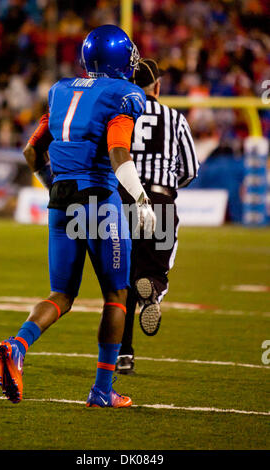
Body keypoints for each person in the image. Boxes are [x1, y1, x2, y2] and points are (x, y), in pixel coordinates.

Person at [0, 25, 156, 408]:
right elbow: (119, 152)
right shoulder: (124, 95)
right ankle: (102, 389)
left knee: (62, 295)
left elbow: (31, 153)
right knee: (117, 295)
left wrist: (54, 183)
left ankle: (17, 345)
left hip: (61, 200)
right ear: (119, 59)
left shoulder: (61, 91)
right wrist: (141, 197)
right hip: (99, 200)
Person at [116, 59, 199, 374]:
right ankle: (152, 288)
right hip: (160, 201)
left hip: (122, 201)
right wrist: (164, 185)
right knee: (156, 271)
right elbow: (190, 169)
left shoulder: (119, 116)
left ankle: (123, 354)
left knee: (121, 282)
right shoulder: (174, 117)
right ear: (158, 87)